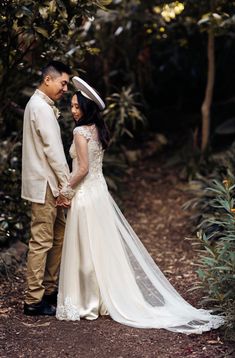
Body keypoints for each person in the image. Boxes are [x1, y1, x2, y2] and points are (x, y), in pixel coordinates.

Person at [56, 76, 224, 334]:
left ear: (87, 110)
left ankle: (87, 302)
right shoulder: (97, 132)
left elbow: (82, 169)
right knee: (101, 247)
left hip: (86, 195)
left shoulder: (80, 132)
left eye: (78, 106)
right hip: (99, 194)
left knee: (87, 249)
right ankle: (101, 298)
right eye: (73, 106)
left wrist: (64, 190)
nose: (73, 110)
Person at [21, 61, 74, 316]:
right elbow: (54, 152)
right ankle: (33, 299)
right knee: (42, 241)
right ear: (48, 80)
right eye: (63, 82)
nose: (65, 88)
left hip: (48, 184)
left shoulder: (40, 105)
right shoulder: (41, 108)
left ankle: (50, 290)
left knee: (58, 236)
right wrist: (67, 188)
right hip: (45, 184)